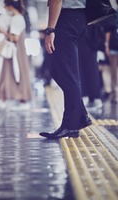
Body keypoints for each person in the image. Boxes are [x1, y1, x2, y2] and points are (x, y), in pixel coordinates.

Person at [39, 0, 92, 139]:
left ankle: (70, 126)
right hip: (78, 18)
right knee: (58, 70)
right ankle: (80, 115)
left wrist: (50, 30)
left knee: (68, 73)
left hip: (67, 19)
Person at [0, 0, 32, 110]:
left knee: (18, 72)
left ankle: (22, 100)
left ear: (10, 6)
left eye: (5, 5)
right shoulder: (19, 17)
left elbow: (14, 38)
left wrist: (2, 31)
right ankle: (20, 99)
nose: (4, 7)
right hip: (17, 51)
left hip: (16, 52)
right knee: (18, 72)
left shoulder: (16, 18)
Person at [105, 1, 118, 104]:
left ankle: (115, 94)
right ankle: (115, 94)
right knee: (114, 72)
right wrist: (107, 46)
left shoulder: (113, 14)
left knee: (114, 73)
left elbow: (108, 31)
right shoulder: (113, 14)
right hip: (114, 47)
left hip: (113, 47)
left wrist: (107, 45)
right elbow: (108, 31)